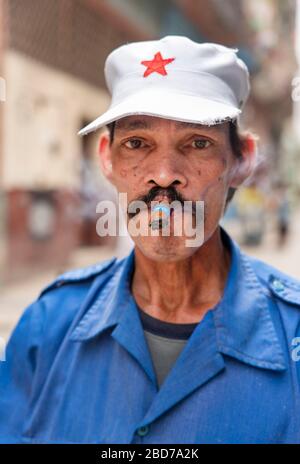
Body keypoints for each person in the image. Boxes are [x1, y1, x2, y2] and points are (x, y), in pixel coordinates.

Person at [1, 36, 300, 444]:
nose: (163, 174)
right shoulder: (48, 328)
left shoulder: (293, 337)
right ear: (107, 157)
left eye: (197, 143)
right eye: (137, 144)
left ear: (241, 160)